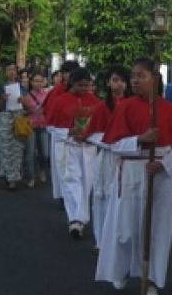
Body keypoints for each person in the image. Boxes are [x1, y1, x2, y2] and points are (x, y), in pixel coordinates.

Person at [95, 58, 172, 295]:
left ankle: (149, 284)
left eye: (141, 75)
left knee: (156, 230)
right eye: (133, 76)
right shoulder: (125, 107)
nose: (135, 80)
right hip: (133, 173)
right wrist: (140, 139)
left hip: (160, 175)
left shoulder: (169, 109)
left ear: (155, 79)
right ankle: (124, 268)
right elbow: (113, 144)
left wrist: (164, 163)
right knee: (127, 230)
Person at [47, 68, 103, 238]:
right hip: (67, 147)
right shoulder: (60, 101)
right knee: (71, 182)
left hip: (87, 148)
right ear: (72, 83)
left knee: (87, 184)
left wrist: (90, 136)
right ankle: (75, 220)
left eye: (87, 85)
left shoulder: (95, 101)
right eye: (80, 85)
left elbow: (101, 126)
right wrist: (69, 132)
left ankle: (80, 218)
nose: (84, 89)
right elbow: (50, 126)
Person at [89, 65, 132, 249]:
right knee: (102, 196)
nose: (119, 84)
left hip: (127, 158)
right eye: (115, 80)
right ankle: (101, 239)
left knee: (123, 198)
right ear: (108, 83)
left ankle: (118, 237)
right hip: (107, 157)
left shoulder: (132, 105)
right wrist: (110, 142)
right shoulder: (101, 107)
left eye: (122, 80)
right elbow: (92, 133)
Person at [44, 61, 80, 204]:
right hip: (61, 134)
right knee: (61, 165)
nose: (70, 76)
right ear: (63, 74)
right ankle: (63, 196)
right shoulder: (57, 92)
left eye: (73, 72)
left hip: (78, 135)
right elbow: (50, 116)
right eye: (67, 72)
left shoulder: (82, 91)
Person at [0, 64, 25, 190]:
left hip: (18, 118)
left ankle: (14, 176)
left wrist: (23, 101)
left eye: (14, 70)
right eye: (9, 70)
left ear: (17, 73)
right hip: (4, 118)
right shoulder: (1, 88)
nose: (12, 72)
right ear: (5, 73)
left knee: (17, 148)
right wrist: (2, 99)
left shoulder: (22, 88)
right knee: (5, 147)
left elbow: (29, 106)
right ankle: (7, 175)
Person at [21, 73, 49, 187]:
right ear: (31, 82)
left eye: (40, 81)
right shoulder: (26, 95)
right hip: (30, 126)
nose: (38, 83)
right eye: (35, 81)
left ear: (43, 82)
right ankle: (31, 177)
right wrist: (28, 111)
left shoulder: (47, 94)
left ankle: (42, 170)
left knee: (45, 153)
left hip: (43, 126)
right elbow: (22, 111)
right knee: (30, 153)